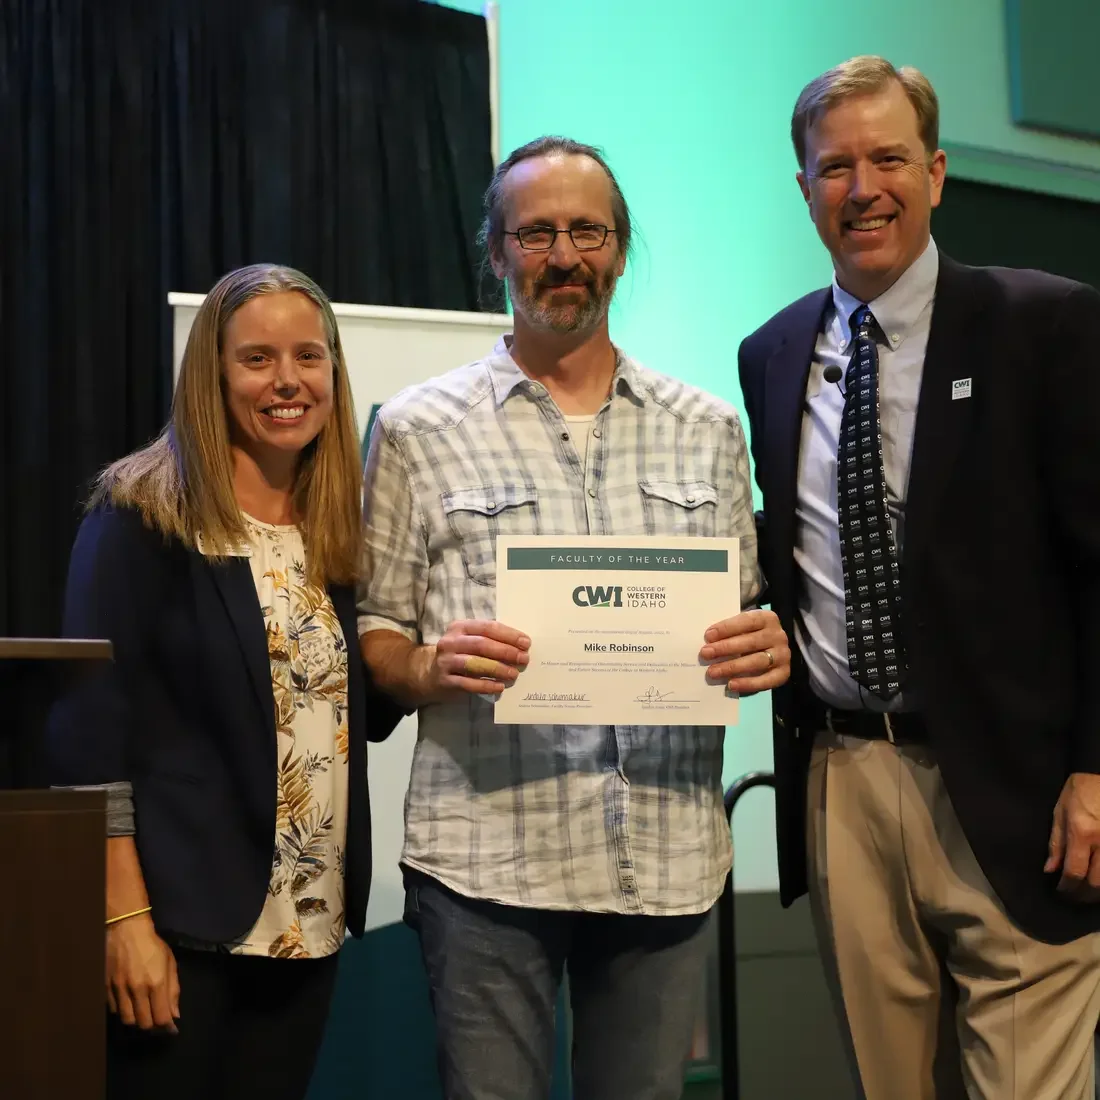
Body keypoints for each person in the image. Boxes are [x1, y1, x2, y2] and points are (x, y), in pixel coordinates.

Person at [357, 135, 790, 1100]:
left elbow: (746, 609)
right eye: (537, 231)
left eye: (587, 230)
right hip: (484, 864)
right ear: (497, 252)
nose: (564, 254)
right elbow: (375, 633)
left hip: (666, 859)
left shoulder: (708, 428)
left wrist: (766, 646)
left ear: (621, 249)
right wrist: (430, 666)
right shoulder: (419, 427)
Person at [738, 55, 1100, 1099]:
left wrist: (1095, 766)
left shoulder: (1045, 323)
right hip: (842, 780)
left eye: (887, 158)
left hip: (1019, 788)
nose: (862, 188)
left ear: (935, 173)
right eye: (833, 166)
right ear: (803, 188)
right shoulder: (767, 353)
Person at [48, 264, 405, 1100]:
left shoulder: (337, 528)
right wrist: (124, 923)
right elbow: (86, 738)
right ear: (212, 374)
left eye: (309, 357)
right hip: (178, 932)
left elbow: (354, 710)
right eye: (257, 359)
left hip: (305, 929)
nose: (288, 381)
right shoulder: (139, 518)